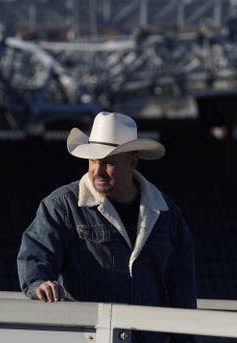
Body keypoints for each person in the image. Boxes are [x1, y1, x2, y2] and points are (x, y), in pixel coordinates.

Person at [17, 111, 197, 342]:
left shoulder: (168, 215)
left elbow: (182, 286)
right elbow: (34, 256)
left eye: (108, 162)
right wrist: (40, 283)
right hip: (90, 337)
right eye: (92, 160)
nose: (97, 171)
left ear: (133, 161)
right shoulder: (61, 206)